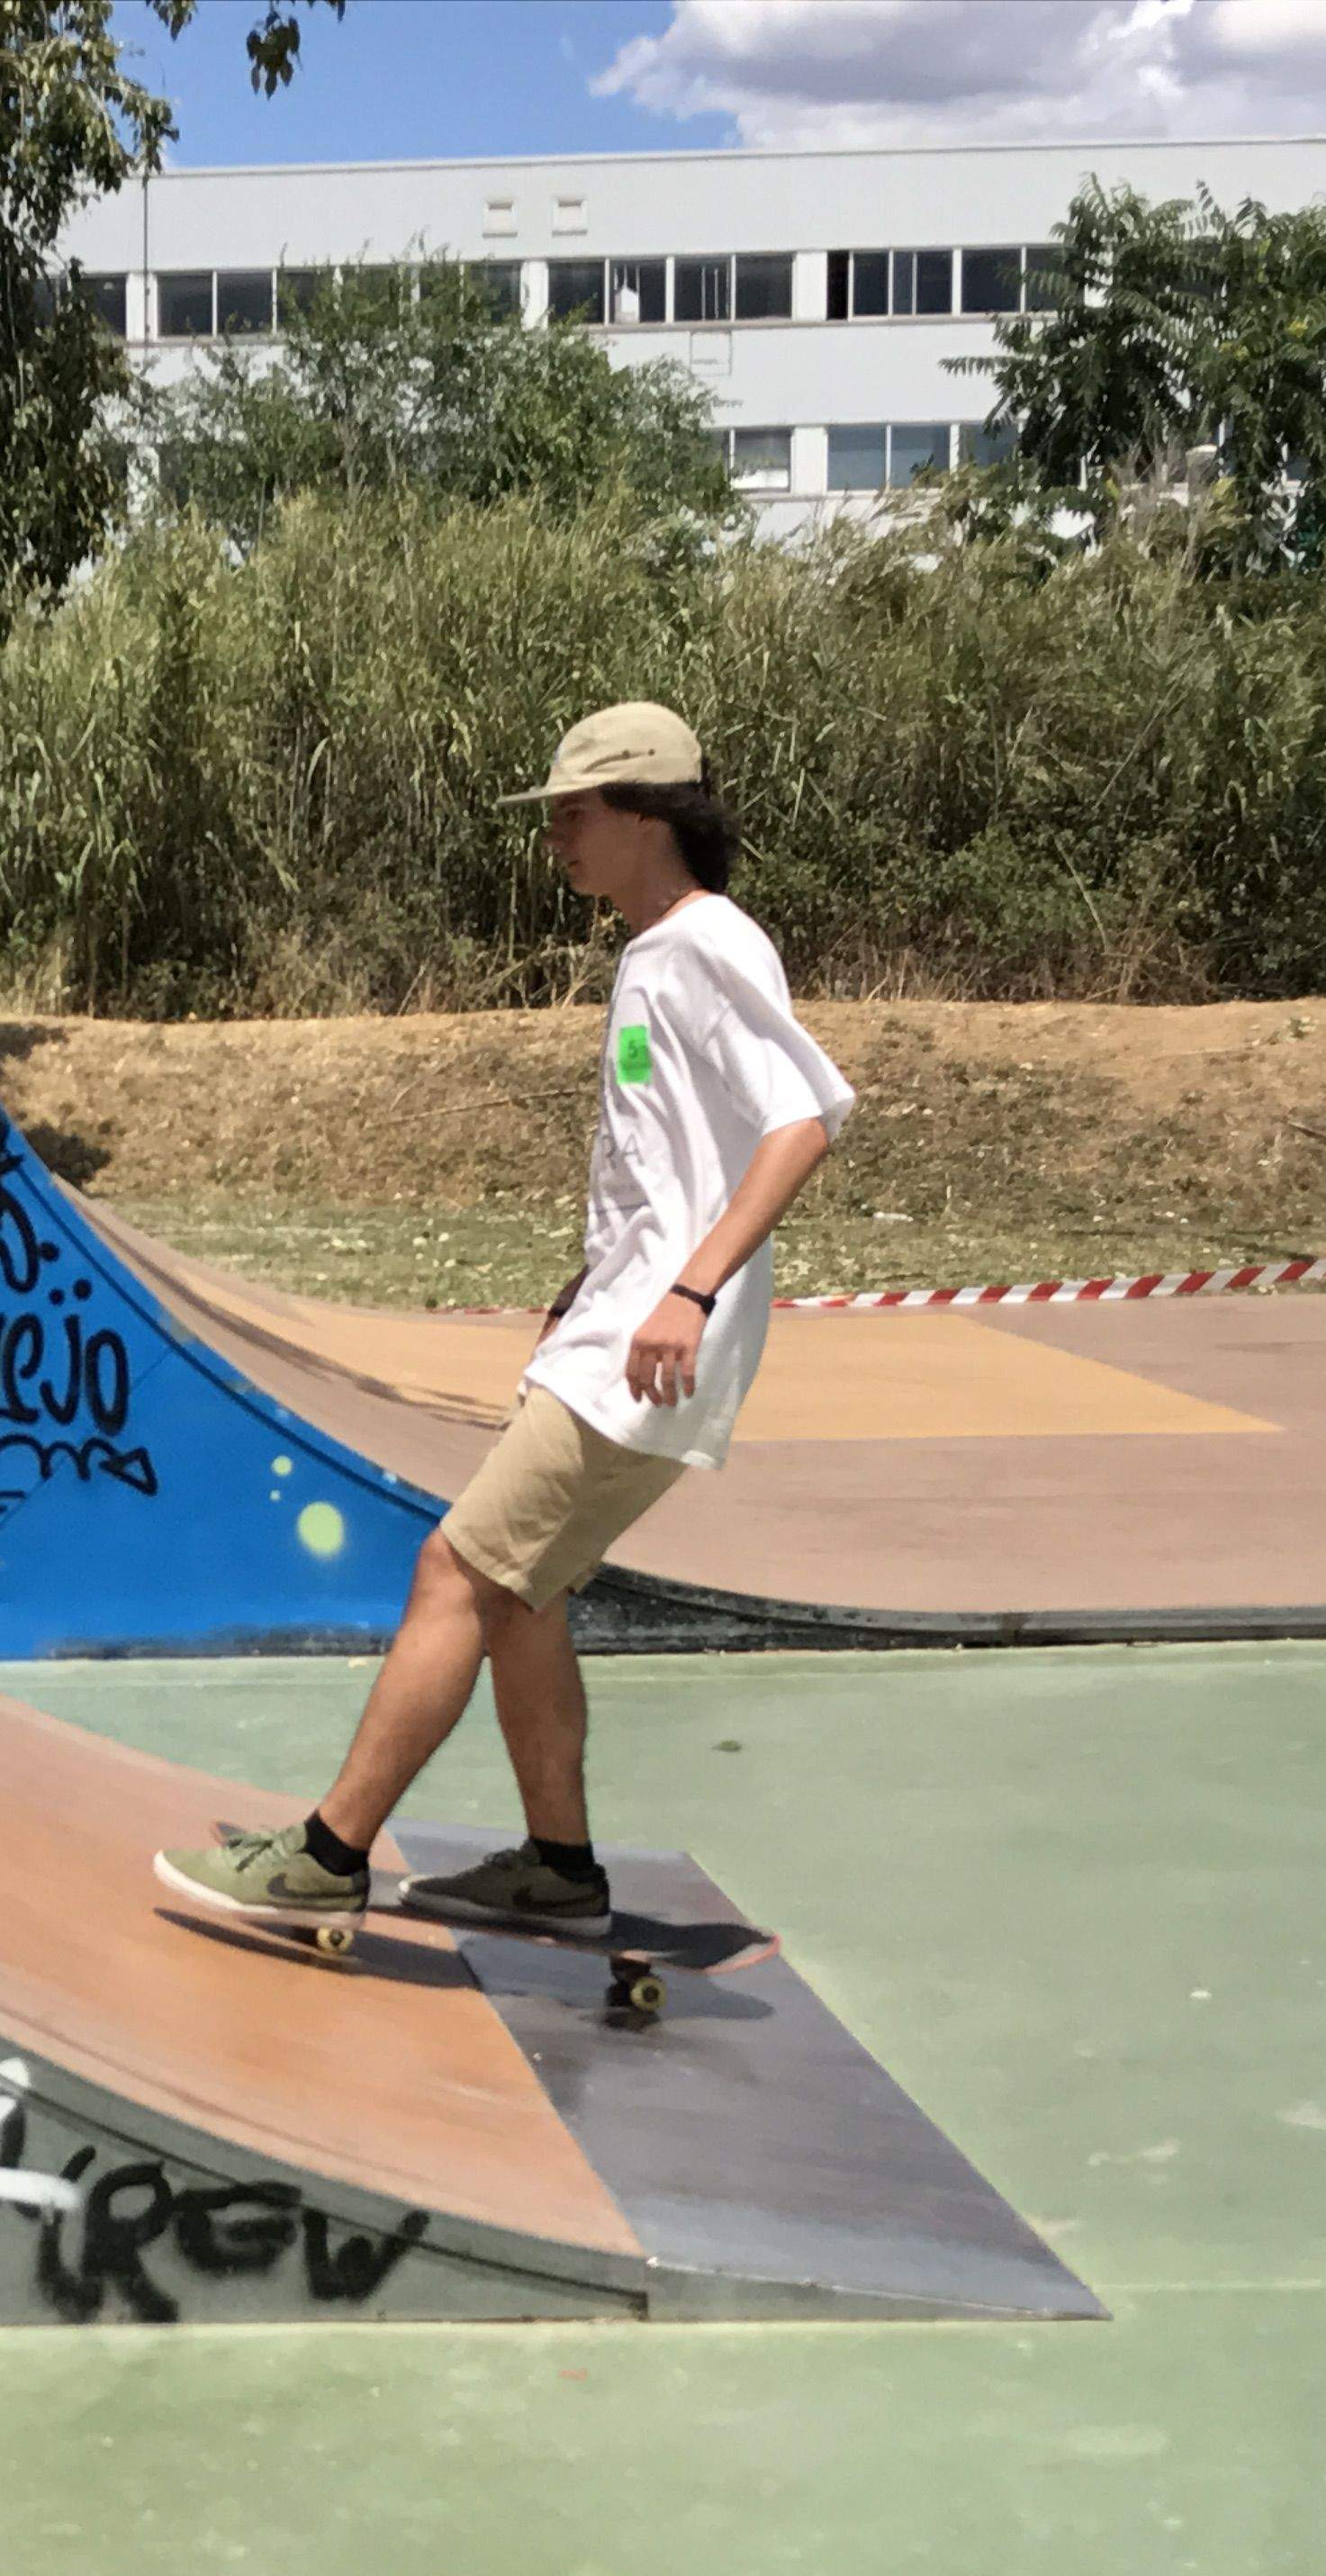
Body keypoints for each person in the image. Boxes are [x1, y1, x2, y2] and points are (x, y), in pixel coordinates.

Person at [155, 703, 853, 1938]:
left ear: (648, 813)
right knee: (524, 1592)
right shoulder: (657, 953)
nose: (556, 843)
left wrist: (685, 1291)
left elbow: (802, 1119)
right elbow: (673, 1157)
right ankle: (559, 1868)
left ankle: (328, 1855)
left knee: (456, 1570)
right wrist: (600, 1282)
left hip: (653, 1346)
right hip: (620, 1328)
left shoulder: (704, 945)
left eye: (575, 817)